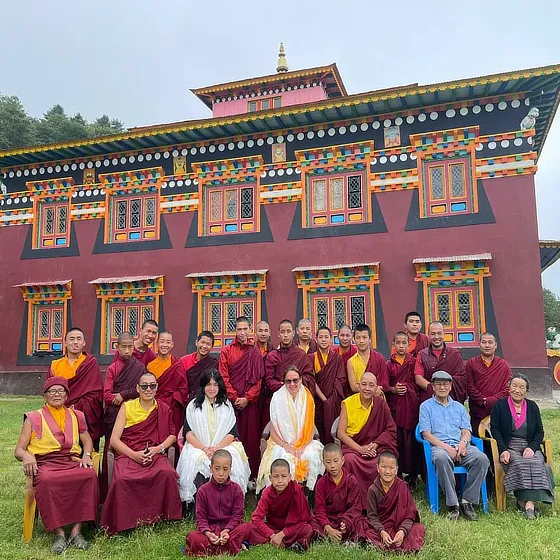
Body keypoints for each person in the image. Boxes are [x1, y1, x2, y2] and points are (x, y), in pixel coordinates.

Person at [15, 377, 98, 553]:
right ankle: (59, 533)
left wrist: (87, 455)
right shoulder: (33, 418)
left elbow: (87, 439)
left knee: (89, 475)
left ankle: (76, 532)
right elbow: (18, 450)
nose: (57, 394)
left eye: (61, 391)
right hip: (46, 463)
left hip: (70, 460)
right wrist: (27, 456)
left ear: (67, 395)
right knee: (47, 480)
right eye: (52, 391)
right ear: (45, 396)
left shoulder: (77, 415)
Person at [100, 372, 182, 534]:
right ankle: (125, 521)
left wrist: (157, 449)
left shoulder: (163, 408)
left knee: (166, 473)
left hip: (154, 453)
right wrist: (134, 455)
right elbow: (115, 440)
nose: (148, 389)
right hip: (129, 454)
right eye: (144, 386)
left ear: (157, 387)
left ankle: (161, 516)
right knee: (122, 479)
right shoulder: (127, 406)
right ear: (137, 388)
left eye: (152, 385)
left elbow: (173, 435)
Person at [419, 370, 489, 521]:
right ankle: (453, 505)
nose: (442, 388)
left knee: (482, 459)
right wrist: (448, 448)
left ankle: (467, 501)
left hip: (461, 447)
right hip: (440, 447)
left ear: (450, 386)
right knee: (441, 458)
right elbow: (426, 434)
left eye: (445, 384)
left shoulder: (459, 407)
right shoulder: (425, 407)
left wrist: (462, 444)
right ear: (433, 386)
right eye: (438, 384)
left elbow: (466, 431)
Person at [176, 370, 251, 504]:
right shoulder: (192, 406)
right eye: (208, 385)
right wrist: (205, 448)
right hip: (198, 446)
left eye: (215, 385)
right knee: (198, 460)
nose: (211, 389)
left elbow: (232, 433)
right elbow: (188, 433)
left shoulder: (227, 406)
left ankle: (228, 502)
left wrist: (218, 448)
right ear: (202, 386)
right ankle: (201, 502)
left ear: (220, 386)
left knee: (230, 457)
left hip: (223, 446)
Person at [490, 374, 555, 519]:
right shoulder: (500, 406)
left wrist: (532, 447)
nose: (517, 390)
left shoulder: (532, 407)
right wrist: (503, 450)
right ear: (509, 387)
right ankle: (526, 504)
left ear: (527, 391)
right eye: (514, 386)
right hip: (509, 445)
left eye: (521, 387)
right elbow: (495, 430)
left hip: (529, 445)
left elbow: (539, 431)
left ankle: (527, 504)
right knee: (519, 463)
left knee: (537, 462)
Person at [256, 366, 324, 492]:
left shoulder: (308, 397)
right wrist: (286, 446)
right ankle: (283, 498)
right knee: (284, 459)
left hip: (305, 442)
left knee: (311, 456)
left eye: (295, 380)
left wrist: (302, 447)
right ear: (284, 382)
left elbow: (310, 427)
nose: (292, 384)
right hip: (281, 443)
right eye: (288, 381)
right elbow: (273, 430)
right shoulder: (277, 398)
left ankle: (307, 498)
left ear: (301, 379)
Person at [337, 372, 397, 509]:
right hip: (353, 447)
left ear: (376, 388)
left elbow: (391, 429)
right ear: (358, 385)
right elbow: (340, 433)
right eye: (364, 384)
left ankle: (381, 503)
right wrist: (360, 449)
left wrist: (375, 445)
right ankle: (356, 504)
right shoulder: (348, 403)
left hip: (375, 446)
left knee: (382, 462)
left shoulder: (380, 404)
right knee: (350, 460)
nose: (367, 388)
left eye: (371, 385)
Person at [101, 332, 147, 499]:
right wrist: (120, 396)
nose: (127, 350)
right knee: (110, 450)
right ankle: (106, 492)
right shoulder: (113, 369)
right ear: (117, 347)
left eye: (130, 346)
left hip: (133, 413)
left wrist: (122, 395)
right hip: (114, 416)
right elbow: (106, 395)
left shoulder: (139, 367)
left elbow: (142, 390)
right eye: (124, 347)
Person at [219, 316, 264, 478]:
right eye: (240, 329)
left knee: (251, 439)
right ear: (235, 330)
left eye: (246, 329)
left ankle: (251, 475)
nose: (243, 332)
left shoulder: (254, 351)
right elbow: (224, 377)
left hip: (250, 403)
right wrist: (234, 397)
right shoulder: (227, 350)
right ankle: (232, 474)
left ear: (249, 329)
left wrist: (247, 398)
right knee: (231, 438)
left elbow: (259, 379)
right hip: (231, 404)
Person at [185, 450, 252, 556]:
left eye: (225, 469)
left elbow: (237, 516)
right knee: (192, 537)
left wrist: (226, 531)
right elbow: (200, 518)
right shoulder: (203, 490)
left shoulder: (236, 489)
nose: (221, 473)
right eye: (217, 469)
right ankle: (233, 546)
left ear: (230, 469)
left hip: (230, 530)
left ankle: (213, 549)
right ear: (211, 468)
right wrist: (208, 533)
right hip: (210, 531)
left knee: (247, 527)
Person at [47, 327, 104, 450]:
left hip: (85, 415)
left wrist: (77, 407)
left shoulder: (90, 363)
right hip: (60, 413)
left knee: (87, 453)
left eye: (79, 339)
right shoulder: (55, 365)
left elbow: (96, 394)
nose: (75, 342)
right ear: (65, 343)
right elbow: (49, 393)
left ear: (84, 343)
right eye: (71, 339)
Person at [248, 459, 314, 551]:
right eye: (276, 476)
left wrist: (282, 534)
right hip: (273, 528)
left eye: (283, 476)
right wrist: (272, 535)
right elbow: (256, 518)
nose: (280, 481)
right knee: (249, 528)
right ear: (270, 478)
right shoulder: (267, 493)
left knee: (307, 529)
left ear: (289, 477)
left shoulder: (296, 491)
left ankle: (283, 543)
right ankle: (285, 543)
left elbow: (302, 521)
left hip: (290, 530)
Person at [366, 451, 425, 553]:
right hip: (382, 527)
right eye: (383, 467)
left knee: (418, 528)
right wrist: (382, 531)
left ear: (397, 470)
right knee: (365, 529)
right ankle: (390, 544)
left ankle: (387, 546)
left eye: (391, 468)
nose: (387, 471)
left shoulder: (402, 486)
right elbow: (372, 517)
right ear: (377, 468)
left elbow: (410, 515)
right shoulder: (373, 490)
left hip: (399, 526)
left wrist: (402, 531)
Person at [312, 443, 371, 543]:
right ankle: (331, 535)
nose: (333, 466)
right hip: (329, 519)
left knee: (360, 522)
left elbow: (355, 507)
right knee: (312, 523)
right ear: (324, 463)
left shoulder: (351, 480)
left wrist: (346, 522)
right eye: (328, 462)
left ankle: (352, 539)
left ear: (342, 461)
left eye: (336, 461)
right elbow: (319, 510)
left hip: (346, 519)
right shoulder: (321, 483)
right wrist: (328, 528)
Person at [263, 319, 315, 430]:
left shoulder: (301, 354)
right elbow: (268, 380)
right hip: (279, 400)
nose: (286, 335)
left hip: (298, 400)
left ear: (293, 333)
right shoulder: (272, 356)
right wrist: (286, 387)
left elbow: (309, 377)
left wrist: (294, 386)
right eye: (283, 332)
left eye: (288, 331)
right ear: (278, 334)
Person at [386, 331, 422, 486]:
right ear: (393, 345)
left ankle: (413, 475)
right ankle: (398, 474)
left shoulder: (414, 362)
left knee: (411, 442)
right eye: (398, 343)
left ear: (409, 345)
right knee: (398, 441)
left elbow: (418, 383)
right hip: (395, 409)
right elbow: (385, 385)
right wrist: (394, 389)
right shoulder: (388, 364)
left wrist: (407, 387)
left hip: (411, 408)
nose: (401, 346)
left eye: (404, 343)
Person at [466, 332, 512, 436]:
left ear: (495, 345)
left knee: (498, 439)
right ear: (479, 345)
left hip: (498, 409)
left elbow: (507, 388)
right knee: (479, 440)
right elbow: (469, 386)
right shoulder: (471, 363)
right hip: (478, 410)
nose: (487, 345)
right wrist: (482, 400)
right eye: (484, 342)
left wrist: (490, 401)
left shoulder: (503, 365)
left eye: (490, 342)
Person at [147, 331, 189, 437]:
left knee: (172, 433)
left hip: (173, 407)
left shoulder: (177, 365)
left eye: (168, 342)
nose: (165, 345)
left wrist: (171, 400)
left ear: (172, 345)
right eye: (162, 342)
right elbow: (148, 388)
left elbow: (183, 389)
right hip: (155, 405)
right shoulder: (150, 366)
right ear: (156, 343)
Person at [415, 322, 467, 403]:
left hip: (451, 399)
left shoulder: (454, 354)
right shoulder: (422, 354)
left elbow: (461, 378)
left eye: (439, 333)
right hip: (430, 399)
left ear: (444, 334)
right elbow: (418, 378)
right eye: (433, 334)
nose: (436, 337)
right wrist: (434, 389)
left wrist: (444, 388)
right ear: (428, 335)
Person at [312, 326, 346, 443]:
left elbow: (340, 379)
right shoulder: (311, 358)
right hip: (318, 402)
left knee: (332, 431)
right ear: (316, 339)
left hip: (333, 402)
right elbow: (311, 380)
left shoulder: (337, 358)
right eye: (320, 337)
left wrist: (331, 400)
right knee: (318, 433)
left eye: (326, 337)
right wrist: (324, 399)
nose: (323, 339)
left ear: (331, 339)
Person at [347, 324, 389, 394]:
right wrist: (372, 389)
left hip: (376, 398)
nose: (361, 341)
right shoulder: (351, 362)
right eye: (358, 338)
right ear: (353, 340)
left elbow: (384, 384)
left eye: (364, 337)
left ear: (369, 339)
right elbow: (354, 387)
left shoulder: (379, 358)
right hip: (359, 400)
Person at [180, 331, 219, 402]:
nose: (204, 346)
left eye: (208, 344)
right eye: (202, 342)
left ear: (212, 347)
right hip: (187, 400)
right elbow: (180, 384)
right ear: (196, 342)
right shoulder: (184, 361)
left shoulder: (213, 363)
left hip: (206, 400)